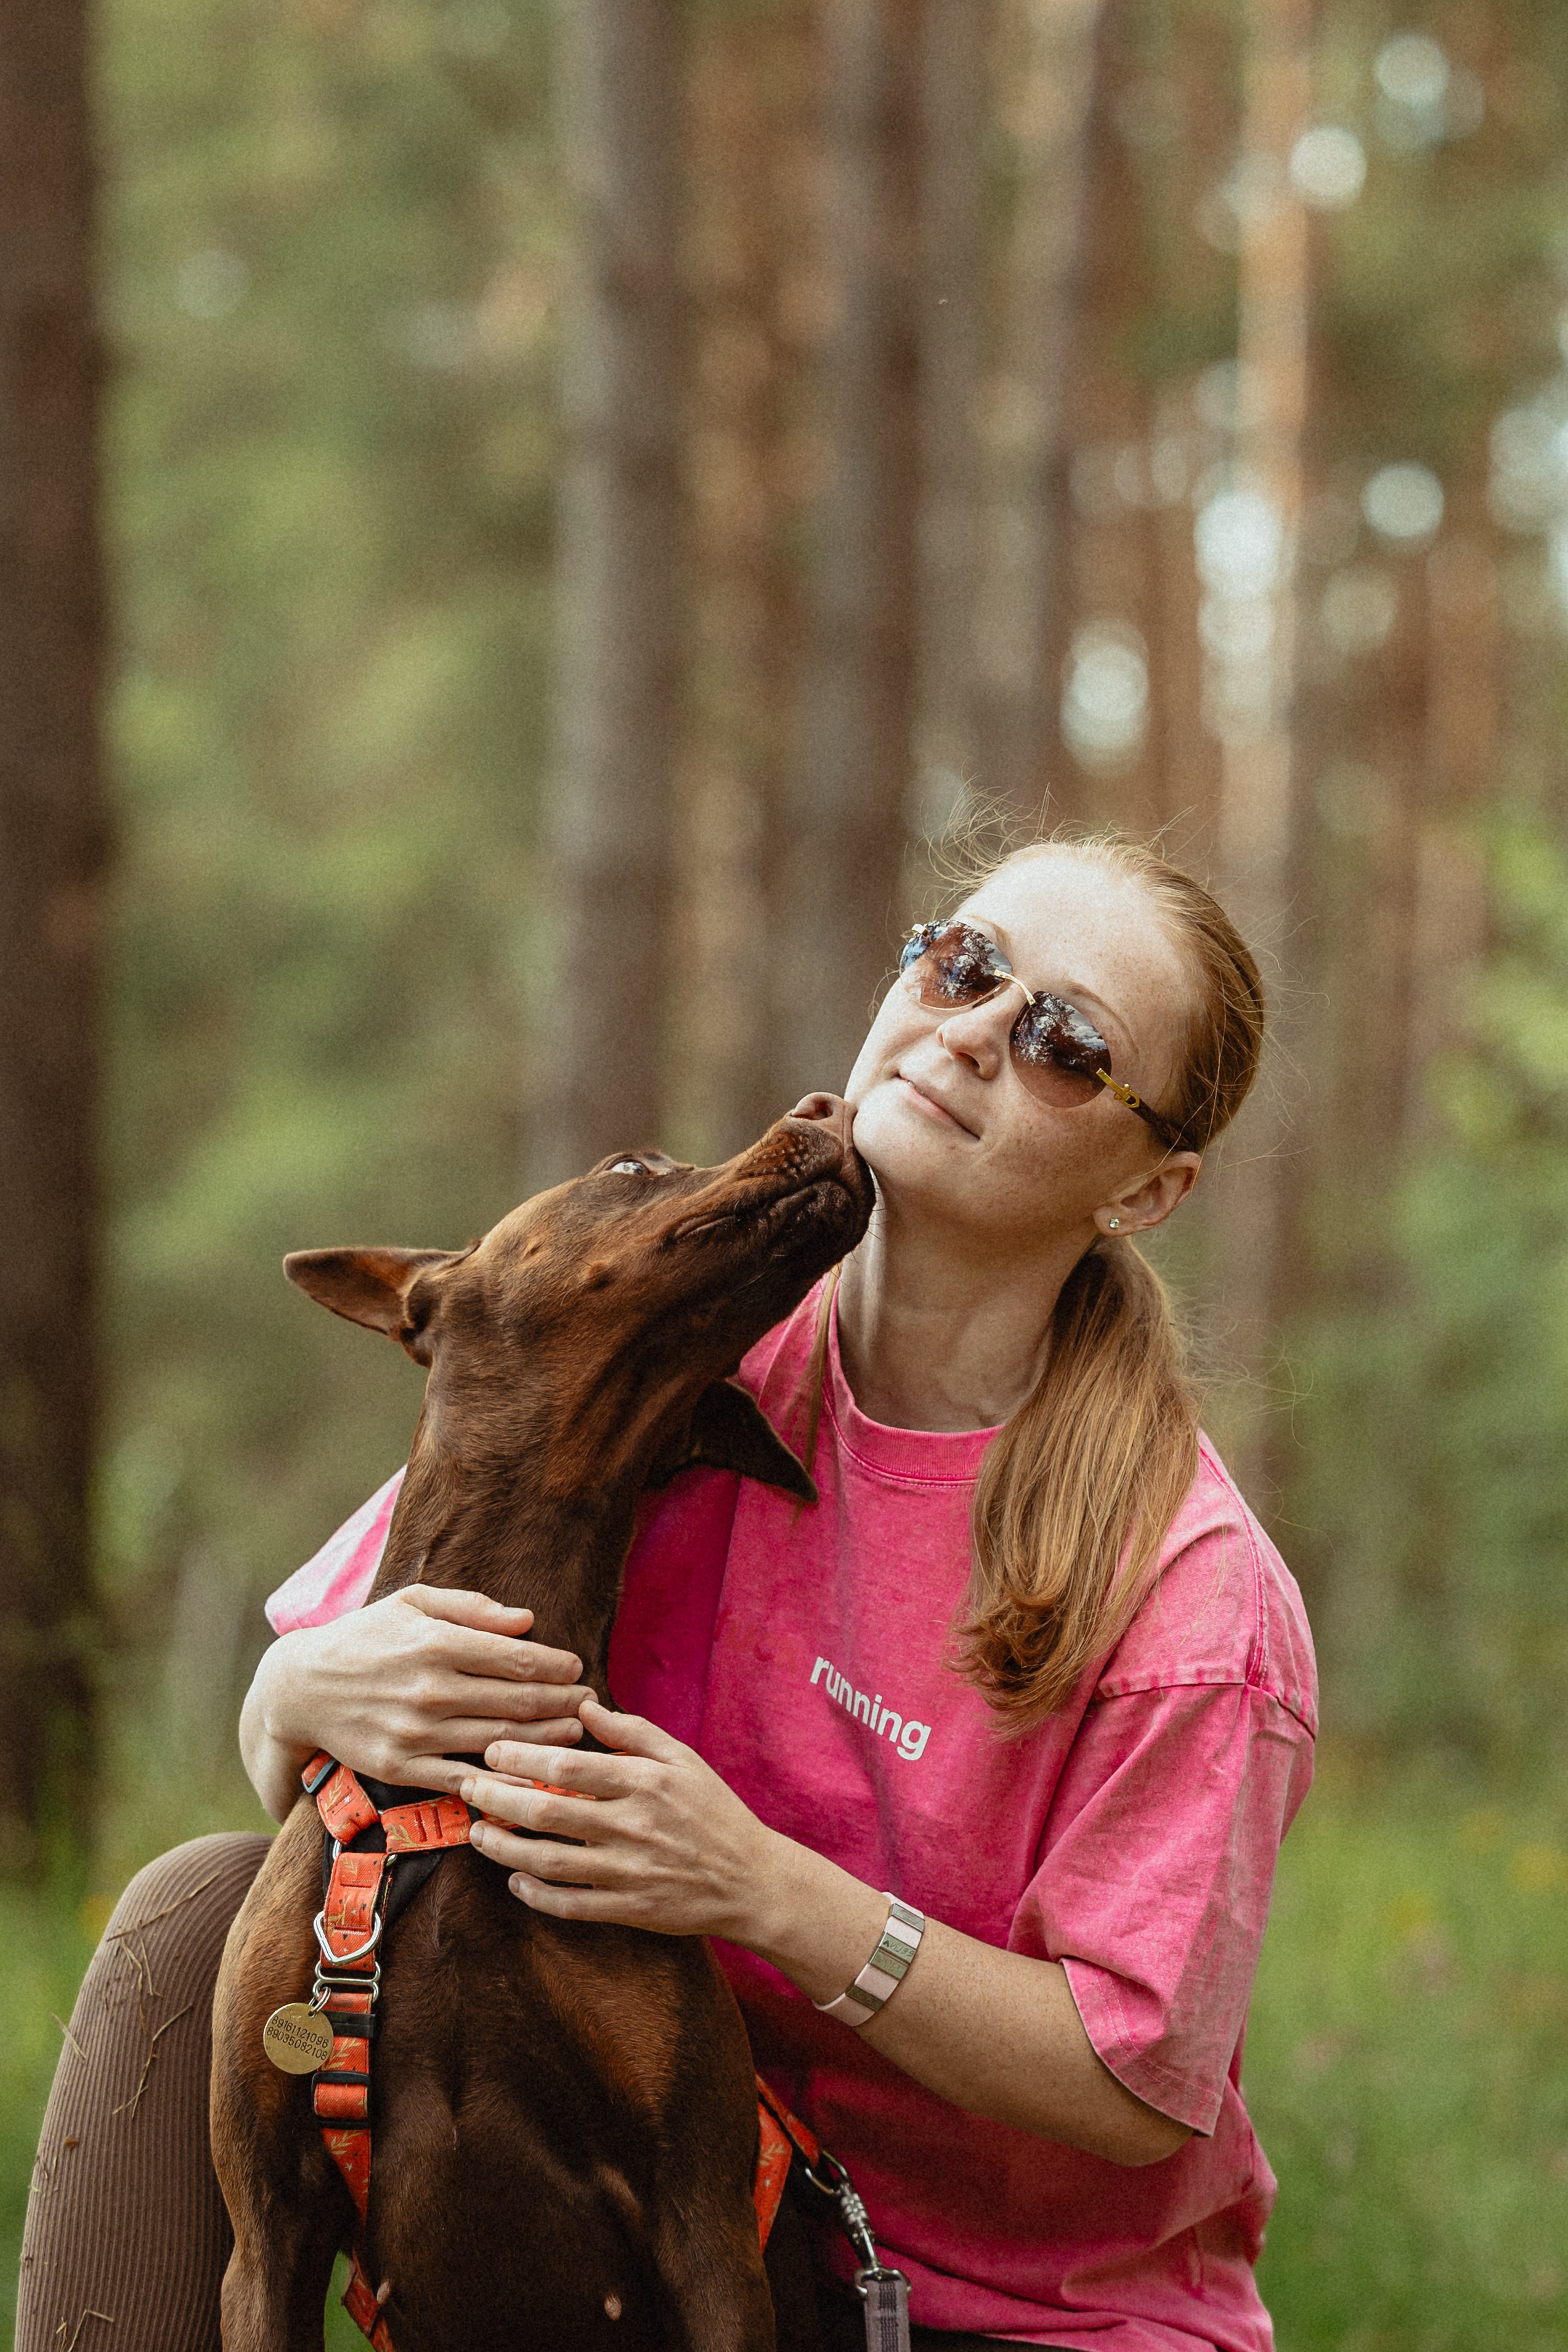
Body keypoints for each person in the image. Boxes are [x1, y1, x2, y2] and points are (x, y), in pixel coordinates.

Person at [18, 836, 1315, 2352]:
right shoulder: (665, 1368)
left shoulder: (1186, 1591)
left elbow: (1134, 2083)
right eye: (963, 962)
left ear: (1151, 1187)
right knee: (190, 1913)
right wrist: (291, 1693)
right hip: (653, 2224)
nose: (971, 1028)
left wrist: (767, 1891)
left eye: (1066, 1045)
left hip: (998, 2318)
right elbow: (318, 1738)